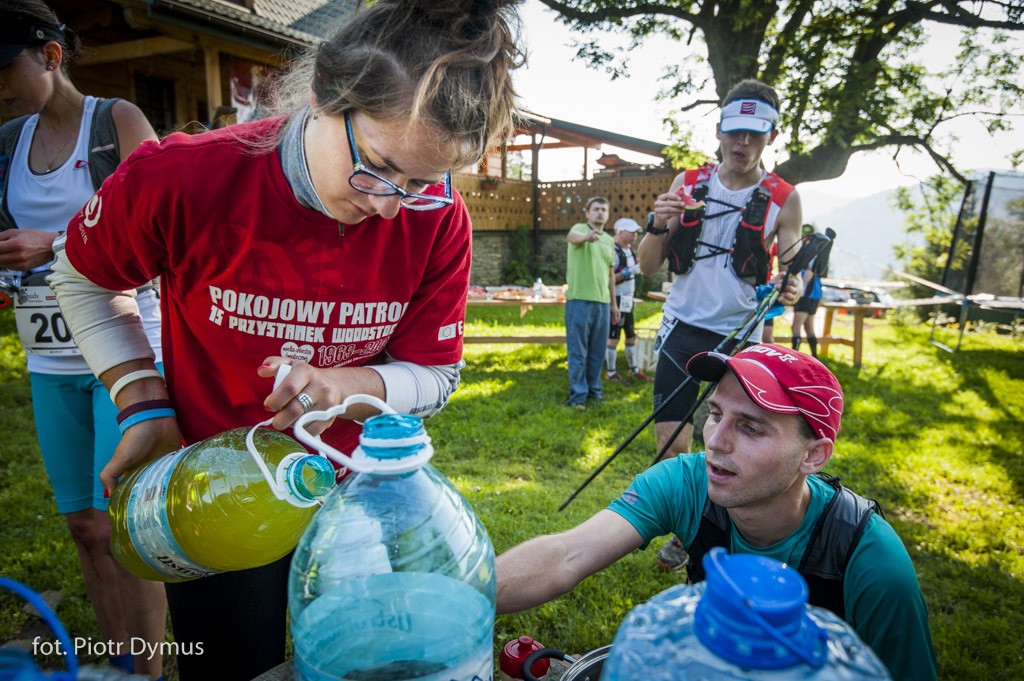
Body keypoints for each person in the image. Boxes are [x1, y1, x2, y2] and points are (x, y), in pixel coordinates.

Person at [49, 1, 524, 679]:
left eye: (422, 182)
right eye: (380, 168)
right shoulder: (186, 179)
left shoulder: (437, 218)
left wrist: (345, 386)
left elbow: (436, 373)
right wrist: (142, 398)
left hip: (357, 502)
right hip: (219, 490)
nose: (391, 206)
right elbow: (83, 275)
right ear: (326, 90)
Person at [495, 344, 938, 681]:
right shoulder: (686, 483)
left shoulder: (872, 563)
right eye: (715, 414)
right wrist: (453, 598)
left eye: (750, 427)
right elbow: (568, 555)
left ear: (814, 456)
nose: (716, 442)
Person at [0, 3, 166, 678]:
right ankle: (114, 660)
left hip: (125, 357)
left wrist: (55, 242)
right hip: (48, 359)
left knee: (124, 527)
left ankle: (151, 669)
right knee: (85, 529)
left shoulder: (116, 123)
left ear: (51, 55)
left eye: (4, 67)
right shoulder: (5, 143)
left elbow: (165, 238)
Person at [636, 79, 804, 569]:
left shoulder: (783, 198)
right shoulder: (686, 184)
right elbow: (648, 265)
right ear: (719, 130)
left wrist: (793, 285)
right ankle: (693, 528)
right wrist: (654, 223)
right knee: (671, 445)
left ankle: (715, 534)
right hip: (680, 329)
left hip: (739, 338)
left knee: (729, 447)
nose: (742, 144)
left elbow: (791, 267)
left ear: (771, 136)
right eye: (734, 132)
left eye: (754, 134)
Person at [564, 196, 620, 410]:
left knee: (598, 352)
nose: (600, 213)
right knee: (578, 352)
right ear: (587, 213)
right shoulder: (579, 229)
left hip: (603, 303)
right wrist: (587, 236)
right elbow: (572, 237)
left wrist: (613, 304)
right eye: (595, 209)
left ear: (607, 215)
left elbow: (610, 274)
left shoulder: (609, 240)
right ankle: (578, 396)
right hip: (579, 301)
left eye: (603, 210)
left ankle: (594, 391)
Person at [605, 217, 653, 383]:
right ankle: (610, 372)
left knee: (631, 334)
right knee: (614, 335)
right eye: (631, 231)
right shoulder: (613, 250)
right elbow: (608, 279)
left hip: (627, 299)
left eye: (635, 232)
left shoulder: (630, 251)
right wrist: (627, 273)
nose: (635, 235)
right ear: (619, 231)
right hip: (616, 299)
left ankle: (633, 369)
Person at [792, 226, 826, 357]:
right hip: (815, 294)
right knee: (809, 327)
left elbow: (809, 273)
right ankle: (815, 357)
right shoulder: (817, 252)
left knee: (796, 327)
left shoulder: (810, 253)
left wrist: (799, 288)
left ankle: (793, 357)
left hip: (806, 294)